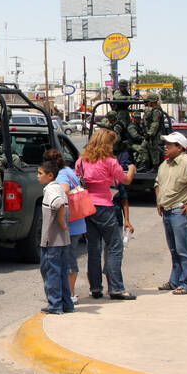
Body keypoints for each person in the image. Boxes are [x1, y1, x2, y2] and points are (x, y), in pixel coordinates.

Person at [75, 129, 137, 300]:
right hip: (104, 206)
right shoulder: (110, 162)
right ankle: (116, 288)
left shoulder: (81, 161)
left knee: (93, 249)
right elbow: (125, 180)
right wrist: (131, 169)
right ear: (107, 144)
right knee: (115, 247)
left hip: (87, 206)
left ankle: (95, 288)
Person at [155, 131, 187, 294]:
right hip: (167, 211)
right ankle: (175, 281)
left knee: (184, 250)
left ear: (180, 147)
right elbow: (157, 183)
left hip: (180, 211)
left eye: (169, 144)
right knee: (174, 250)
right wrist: (159, 201)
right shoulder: (165, 164)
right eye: (165, 144)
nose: (165, 147)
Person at [43, 149, 86, 305]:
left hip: (70, 224)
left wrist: (60, 221)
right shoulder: (68, 170)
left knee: (68, 261)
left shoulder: (61, 175)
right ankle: (69, 293)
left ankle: (71, 294)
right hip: (77, 222)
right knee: (69, 258)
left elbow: (64, 191)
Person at [37, 159, 74, 314]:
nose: (37, 177)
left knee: (50, 273)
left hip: (51, 241)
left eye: (40, 174)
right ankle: (66, 304)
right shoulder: (59, 188)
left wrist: (59, 220)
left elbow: (58, 204)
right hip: (63, 240)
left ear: (50, 175)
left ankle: (55, 305)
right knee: (62, 273)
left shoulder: (51, 190)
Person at [143, 93, 166, 170]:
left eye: (149, 101)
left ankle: (155, 167)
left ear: (152, 102)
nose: (148, 103)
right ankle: (150, 166)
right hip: (155, 133)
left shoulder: (156, 111)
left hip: (155, 134)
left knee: (154, 150)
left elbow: (155, 124)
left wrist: (149, 134)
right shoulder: (154, 110)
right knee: (151, 149)